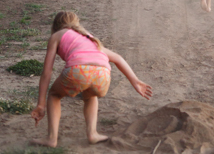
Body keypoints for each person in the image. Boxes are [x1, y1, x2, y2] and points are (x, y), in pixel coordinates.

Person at [30, 11, 152, 148]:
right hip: (103, 74)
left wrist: (41, 104)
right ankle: (92, 134)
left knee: (54, 95)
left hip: (78, 71)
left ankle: (51, 138)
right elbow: (118, 58)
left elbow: (47, 72)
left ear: (56, 25)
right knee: (91, 95)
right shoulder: (88, 37)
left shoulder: (56, 35)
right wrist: (135, 81)